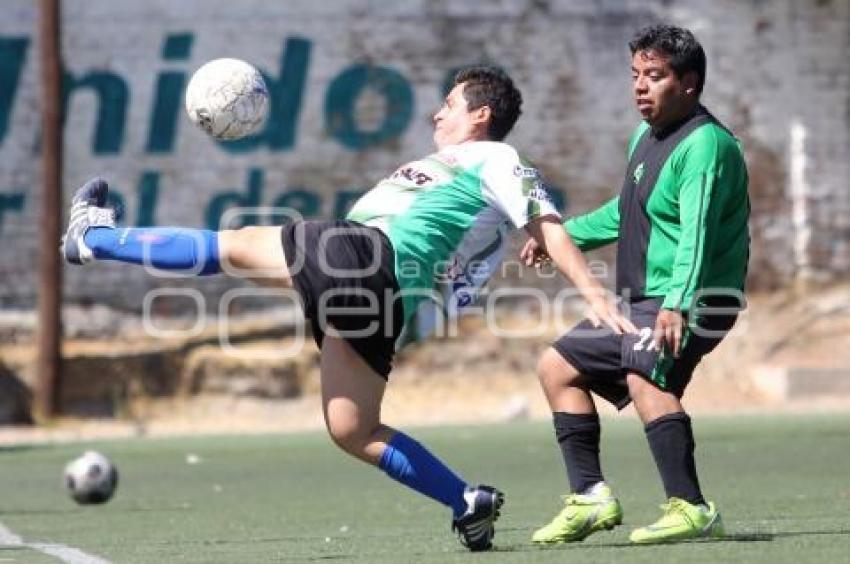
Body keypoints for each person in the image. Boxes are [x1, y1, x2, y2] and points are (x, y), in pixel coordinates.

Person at [62, 66, 635, 551]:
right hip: (382, 300)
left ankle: (95, 238)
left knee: (229, 248)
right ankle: (466, 500)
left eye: (449, 105)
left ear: (481, 116)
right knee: (351, 426)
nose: (437, 116)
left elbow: (549, 227)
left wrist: (592, 293)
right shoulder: (455, 174)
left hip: (364, 258)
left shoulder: (496, 157)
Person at [523, 24, 750, 545]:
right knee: (557, 367)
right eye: (636, 76)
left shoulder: (706, 146)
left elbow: (697, 231)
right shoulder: (644, 139)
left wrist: (677, 305)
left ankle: (691, 508)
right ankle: (590, 498)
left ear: (689, 83)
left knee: (645, 375)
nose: (640, 87)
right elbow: (626, 214)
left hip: (696, 299)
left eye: (655, 76)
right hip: (645, 301)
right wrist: (559, 236)